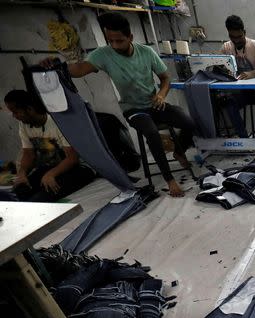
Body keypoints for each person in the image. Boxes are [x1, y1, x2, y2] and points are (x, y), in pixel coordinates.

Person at [46, 12, 194, 197]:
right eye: (110, 41)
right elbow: (80, 69)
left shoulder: (146, 52)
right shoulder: (103, 54)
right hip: (133, 109)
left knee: (188, 122)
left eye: (119, 41)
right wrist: (56, 66)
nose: (114, 45)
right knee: (151, 132)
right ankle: (169, 180)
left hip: (154, 103)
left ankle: (179, 152)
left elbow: (165, 78)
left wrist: (162, 95)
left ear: (130, 37)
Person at [4, 89, 95, 202]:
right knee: (19, 192)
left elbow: (72, 158)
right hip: (51, 168)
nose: (14, 116)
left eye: (16, 112)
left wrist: (51, 174)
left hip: (78, 168)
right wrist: (22, 173)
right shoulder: (24, 124)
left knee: (39, 199)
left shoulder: (58, 121)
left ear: (29, 109)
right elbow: (28, 154)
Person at [220, 14, 255, 140]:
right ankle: (243, 137)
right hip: (242, 91)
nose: (237, 40)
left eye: (239, 36)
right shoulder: (226, 47)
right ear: (229, 35)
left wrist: (252, 74)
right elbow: (219, 68)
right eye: (233, 37)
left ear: (244, 32)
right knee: (228, 102)